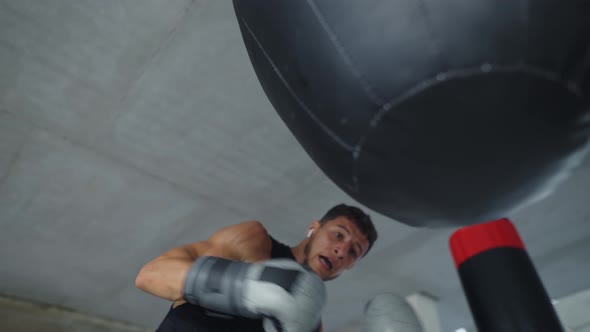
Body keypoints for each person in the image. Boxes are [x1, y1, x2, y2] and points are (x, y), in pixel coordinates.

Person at [135, 204, 379, 332]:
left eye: (353, 251)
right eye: (338, 235)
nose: (341, 250)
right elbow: (151, 275)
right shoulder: (253, 242)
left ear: (350, 266)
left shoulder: (310, 325)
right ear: (313, 228)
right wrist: (244, 287)